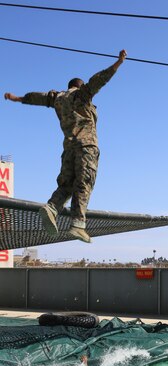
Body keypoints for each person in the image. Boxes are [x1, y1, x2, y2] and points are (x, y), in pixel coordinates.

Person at [4, 49, 127, 243]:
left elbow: (38, 97)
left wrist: (17, 98)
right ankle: (78, 225)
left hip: (69, 148)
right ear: (79, 86)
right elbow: (99, 80)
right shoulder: (82, 95)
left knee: (67, 184)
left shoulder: (58, 98)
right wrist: (118, 63)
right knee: (84, 182)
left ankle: (52, 207)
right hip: (86, 147)